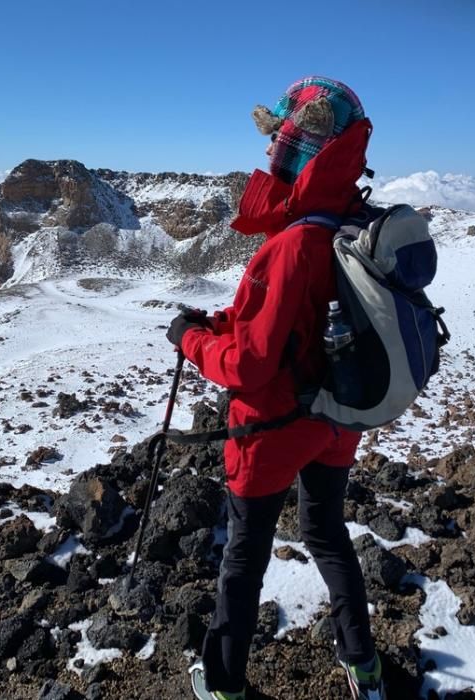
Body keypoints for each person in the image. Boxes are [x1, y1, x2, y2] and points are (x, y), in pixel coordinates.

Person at [166, 77, 385, 700]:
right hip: (338, 418)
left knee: (244, 556)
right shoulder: (353, 223)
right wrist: (222, 324)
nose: (270, 156)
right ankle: (364, 667)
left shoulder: (291, 245)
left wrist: (191, 340)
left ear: (307, 153)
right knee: (325, 532)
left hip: (272, 431)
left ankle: (225, 684)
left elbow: (251, 366)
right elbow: (300, 324)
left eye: (285, 144)